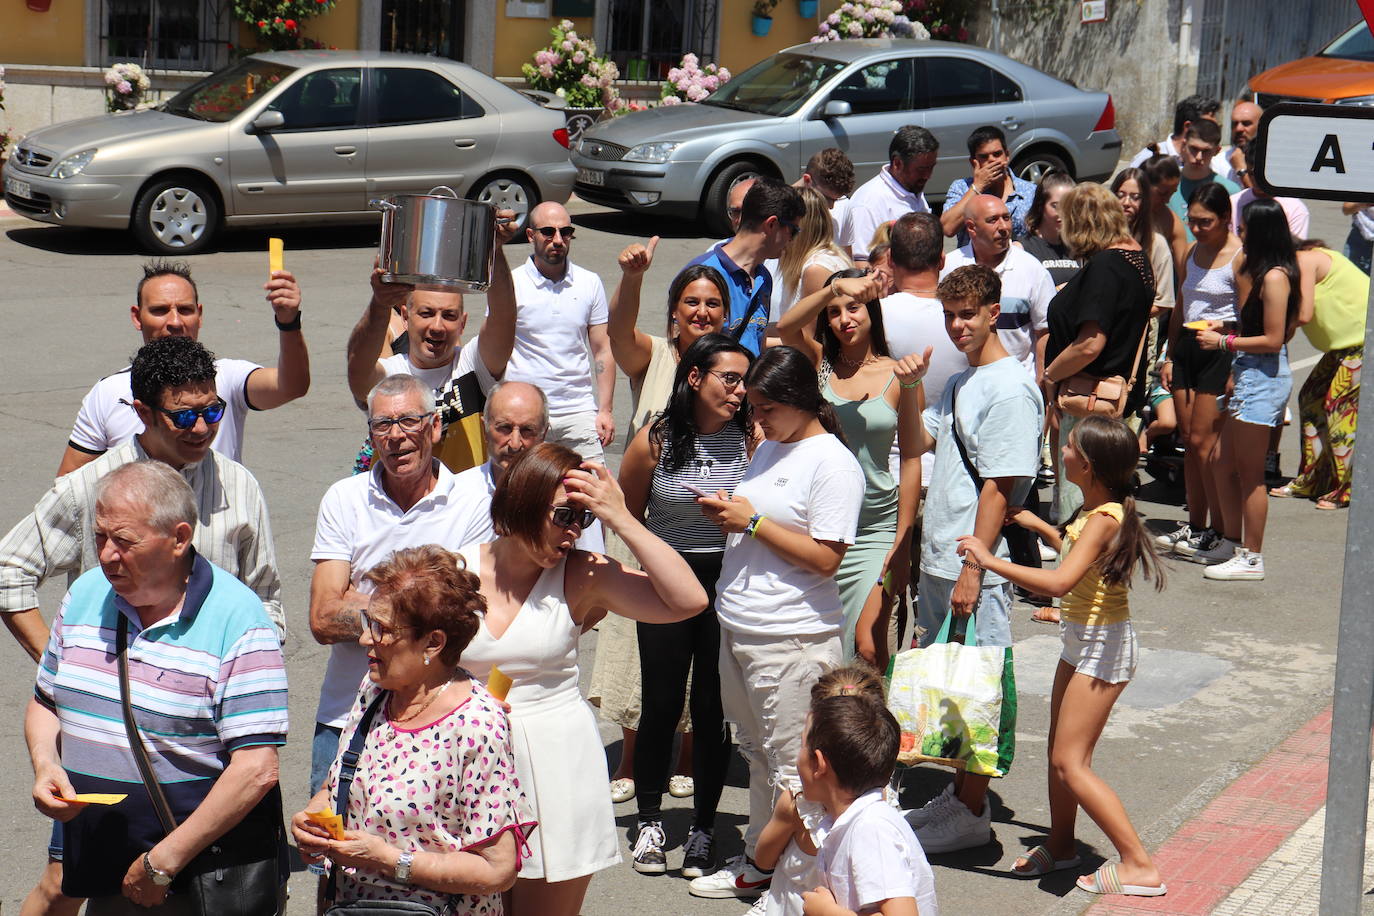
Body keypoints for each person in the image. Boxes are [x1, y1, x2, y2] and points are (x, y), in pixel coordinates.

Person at [458, 443, 707, 916]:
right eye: (564, 515)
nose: (574, 530)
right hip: (471, 760)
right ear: (524, 501)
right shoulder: (456, 570)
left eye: (584, 519)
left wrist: (621, 518)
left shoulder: (585, 576)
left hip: (556, 765)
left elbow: (688, 600)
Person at [28, 460, 289, 912]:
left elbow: (256, 768)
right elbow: (45, 702)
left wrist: (162, 863)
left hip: (199, 881)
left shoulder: (239, 620)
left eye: (124, 541)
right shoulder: (84, 595)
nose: (107, 554)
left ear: (180, 539)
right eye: (99, 537)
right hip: (103, 866)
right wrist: (46, 764)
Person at [956, 415, 1166, 898]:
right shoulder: (1096, 511)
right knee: (1059, 754)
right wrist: (1034, 524)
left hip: (1103, 647)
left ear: (1086, 465)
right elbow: (1074, 553)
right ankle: (1063, 843)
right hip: (1082, 640)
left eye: (1068, 446)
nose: (1061, 451)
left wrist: (987, 560)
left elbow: (1059, 581)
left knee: (1072, 762)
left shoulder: (1104, 517)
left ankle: (1138, 864)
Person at [688, 346, 865, 901]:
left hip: (792, 636)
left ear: (799, 401)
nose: (755, 418)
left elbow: (827, 557)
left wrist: (754, 520)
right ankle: (763, 869)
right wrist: (731, 513)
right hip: (742, 626)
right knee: (759, 754)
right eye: (753, 408)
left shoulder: (833, 462)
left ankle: (799, 890)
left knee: (801, 770)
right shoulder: (771, 447)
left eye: (764, 408)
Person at [308, 374, 500, 833]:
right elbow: (320, 618)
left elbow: (463, 619)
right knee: (331, 861)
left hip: (441, 719)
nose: (396, 437)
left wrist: (361, 601)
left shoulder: (474, 502)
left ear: (434, 427)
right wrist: (420, 611)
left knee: (431, 855)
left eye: (409, 421)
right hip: (344, 718)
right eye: (382, 426)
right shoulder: (344, 498)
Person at [293, 546, 532, 914]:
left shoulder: (477, 726)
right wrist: (315, 815)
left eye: (382, 629)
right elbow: (340, 781)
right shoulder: (375, 691)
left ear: (433, 643)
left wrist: (390, 859)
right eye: (367, 621)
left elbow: (497, 868)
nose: (364, 640)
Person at [904, 265, 1042, 855]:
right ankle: (961, 798)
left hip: (972, 562)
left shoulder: (1010, 387)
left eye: (968, 315)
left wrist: (974, 566)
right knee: (949, 687)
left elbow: (998, 485)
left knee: (979, 686)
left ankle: (973, 808)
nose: (958, 325)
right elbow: (922, 443)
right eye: (950, 314)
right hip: (943, 552)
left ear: (993, 313)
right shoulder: (963, 381)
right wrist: (910, 388)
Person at [617, 334, 756, 879]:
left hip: (727, 584)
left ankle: (703, 827)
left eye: (745, 380)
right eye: (731, 378)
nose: (741, 391)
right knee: (661, 701)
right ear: (695, 378)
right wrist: (641, 572)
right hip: (667, 586)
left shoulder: (751, 435)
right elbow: (627, 512)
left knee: (711, 709)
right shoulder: (656, 437)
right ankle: (649, 820)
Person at [778, 272, 923, 669]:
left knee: (871, 647)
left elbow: (912, 457)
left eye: (853, 307)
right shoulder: (818, 363)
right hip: (820, 522)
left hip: (877, 526)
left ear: (871, 310)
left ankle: (872, 729)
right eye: (834, 312)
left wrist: (903, 538)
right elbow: (786, 326)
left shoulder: (900, 374)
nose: (844, 318)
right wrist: (834, 289)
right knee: (821, 647)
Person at [57, 259, 310, 475]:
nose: (175, 322)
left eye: (185, 310)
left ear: (199, 315)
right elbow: (68, 486)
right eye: (160, 310)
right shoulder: (108, 392)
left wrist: (288, 323)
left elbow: (292, 386)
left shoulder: (228, 377)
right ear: (137, 317)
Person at [346, 208, 520, 475]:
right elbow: (357, 369)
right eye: (426, 313)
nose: (438, 326)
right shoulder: (391, 376)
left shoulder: (473, 366)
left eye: (449, 316)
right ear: (405, 317)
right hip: (395, 509)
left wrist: (493, 249)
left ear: (462, 323)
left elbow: (504, 317)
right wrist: (380, 303)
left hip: (462, 509)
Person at [1195, 199, 1300, 580]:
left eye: (1244, 227)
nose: (1239, 233)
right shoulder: (1260, 272)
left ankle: (1252, 556)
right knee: (1220, 461)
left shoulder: (1275, 277)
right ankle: (1230, 539)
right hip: (1247, 373)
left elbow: (1274, 340)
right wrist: (1229, 333)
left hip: (1263, 378)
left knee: (1250, 473)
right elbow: (1258, 331)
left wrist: (1223, 344)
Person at [880, 213, 970, 650]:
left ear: (891, 260)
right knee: (936, 611)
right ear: (941, 259)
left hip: (884, 477)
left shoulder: (873, 316)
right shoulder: (962, 322)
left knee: (883, 609)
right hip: (948, 479)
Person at [1043, 182, 1154, 525]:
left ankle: (1074, 548)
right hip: (1109, 393)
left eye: (1067, 218)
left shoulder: (1106, 265)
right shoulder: (1135, 256)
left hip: (1087, 393)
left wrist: (1049, 375)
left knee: (1081, 487)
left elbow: (1091, 344)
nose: (1061, 226)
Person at [1157, 184, 1241, 559]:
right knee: (1189, 441)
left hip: (1221, 349)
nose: (1197, 228)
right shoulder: (1191, 252)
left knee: (1208, 445)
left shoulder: (1240, 257)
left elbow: (1250, 316)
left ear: (1225, 218)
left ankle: (1222, 532)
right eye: (1192, 221)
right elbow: (1181, 306)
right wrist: (1170, 355)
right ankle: (1197, 524)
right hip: (1189, 348)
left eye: (1205, 222)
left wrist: (1234, 361)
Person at [799, 694, 940, 916]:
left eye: (801, 745)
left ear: (818, 763)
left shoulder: (871, 829)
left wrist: (827, 913)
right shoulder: (851, 821)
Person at [505, 201, 617, 463]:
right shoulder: (511, 283)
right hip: (527, 415)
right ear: (531, 235)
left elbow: (602, 349)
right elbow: (494, 347)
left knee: (592, 495)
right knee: (525, 500)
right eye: (548, 232)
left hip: (578, 413)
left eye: (565, 232)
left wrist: (605, 411)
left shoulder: (589, 283)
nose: (558, 239)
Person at [1272, 242, 1368, 509]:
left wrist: (1271, 336)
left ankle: (1347, 488)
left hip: (1362, 343)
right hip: (1342, 348)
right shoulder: (1297, 263)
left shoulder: (1305, 259)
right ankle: (1315, 479)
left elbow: (1302, 314)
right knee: (1311, 398)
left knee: (1338, 406)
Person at [608, 245, 729, 441]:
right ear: (674, 310)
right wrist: (632, 277)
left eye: (712, 304)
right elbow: (618, 333)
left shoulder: (737, 365)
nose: (702, 312)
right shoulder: (653, 355)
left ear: (725, 314)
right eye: (692, 302)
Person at [940, 194, 1056, 381]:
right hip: (962, 384)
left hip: (1016, 384)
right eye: (993, 220)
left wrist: (1041, 384)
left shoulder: (1032, 269)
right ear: (971, 227)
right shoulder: (948, 267)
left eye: (1006, 217)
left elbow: (1044, 332)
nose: (1003, 227)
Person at [690, 178, 804, 355]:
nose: (792, 240)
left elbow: (757, 341)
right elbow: (683, 347)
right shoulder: (703, 275)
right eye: (794, 231)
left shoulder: (763, 277)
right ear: (772, 224)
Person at [845, 126, 939, 262]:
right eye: (921, 169)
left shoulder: (912, 188)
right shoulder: (867, 203)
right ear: (897, 163)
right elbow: (861, 264)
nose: (928, 175)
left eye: (932, 167)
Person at [939, 125, 1040, 245]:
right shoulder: (961, 188)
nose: (992, 160)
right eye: (984, 157)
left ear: (1007, 156)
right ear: (973, 162)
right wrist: (978, 187)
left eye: (997, 154)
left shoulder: (1031, 192)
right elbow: (947, 228)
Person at [775, 187, 854, 317]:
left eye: (782, 222)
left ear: (800, 225)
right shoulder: (822, 257)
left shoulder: (816, 269)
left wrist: (760, 337)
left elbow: (810, 336)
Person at [1167, 119, 1242, 242]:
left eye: (1206, 151)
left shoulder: (1230, 191)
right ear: (1183, 145)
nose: (1198, 157)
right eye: (1194, 149)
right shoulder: (1167, 185)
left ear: (1217, 151)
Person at [1230, 146, 1310, 239]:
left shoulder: (1295, 209)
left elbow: (1294, 250)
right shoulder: (1233, 202)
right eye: (1252, 174)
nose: (1257, 180)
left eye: (1262, 174)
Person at [1020, 170, 1080, 289]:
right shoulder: (1022, 249)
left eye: (1069, 205)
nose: (1063, 212)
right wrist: (1056, 292)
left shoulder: (1079, 247)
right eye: (1056, 206)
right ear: (1040, 206)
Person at [1127, 93, 1221, 169]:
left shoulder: (1212, 163)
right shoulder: (1147, 159)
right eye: (1208, 127)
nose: (1213, 133)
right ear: (1188, 126)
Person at [799, 147, 857, 252]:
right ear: (807, 180)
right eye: (827, 199)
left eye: (837, 199)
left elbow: (847, 259)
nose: (831, 207)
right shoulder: (781, 209)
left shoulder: (844, 205)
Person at [1142, 154, 1189, 281]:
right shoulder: (1121, 213)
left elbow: (1183, 273)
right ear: (1144, 185)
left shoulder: (1171, 221)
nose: (1167, 200)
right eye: (1162, 193)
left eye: (1172, 193)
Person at [1221, 99, 1262, 184]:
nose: (1238, 129)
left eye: (1246, 123)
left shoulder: (1272, 162)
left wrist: (1241, 170)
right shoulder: (1217, 162)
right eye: (1234, 124)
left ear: (1261, 125)